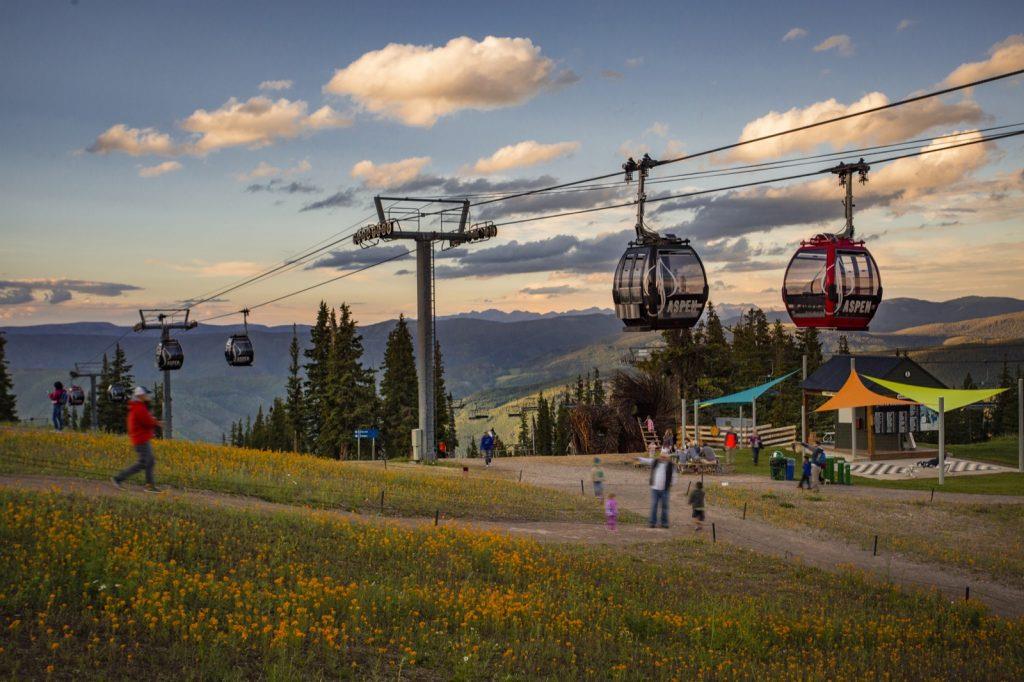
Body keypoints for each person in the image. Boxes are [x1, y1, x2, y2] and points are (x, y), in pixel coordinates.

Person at [111, 387, 163, 493]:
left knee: (147, 462)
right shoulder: (139, 408)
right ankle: (147, 485)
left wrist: (153, 421)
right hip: (141, 439)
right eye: (146, 394)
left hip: (140, 438)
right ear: (140, 396)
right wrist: (156, 422)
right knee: (146, 462)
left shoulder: (137, 407)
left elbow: (146, 420)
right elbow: (147, 421)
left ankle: (120, 479)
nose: (148, 396)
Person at [648, 451, 674, 528]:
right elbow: (647, 460)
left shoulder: (670, 465)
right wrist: (639, 458)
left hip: (665, 489)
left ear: (667, 457)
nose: (663, 458)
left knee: (665, 507)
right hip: (655, 488)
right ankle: (652, 522)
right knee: (654, 506)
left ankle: (664, 523)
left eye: (664, 457)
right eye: (661, 456)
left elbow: (674, 475)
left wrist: (671, 484)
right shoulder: (655, 462)